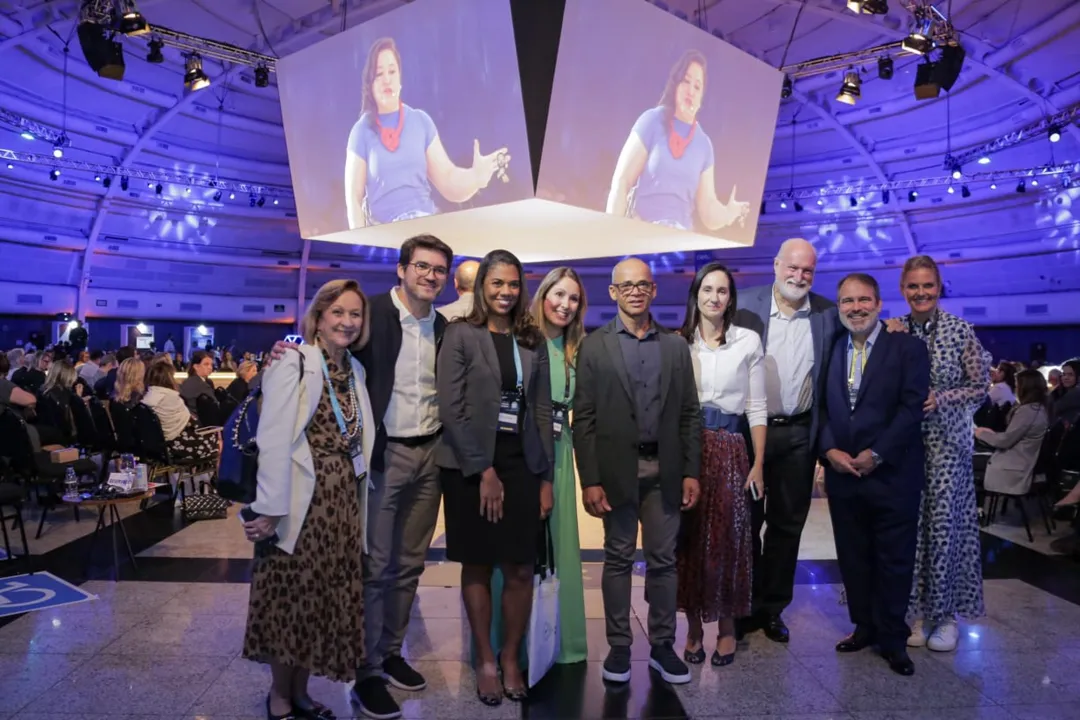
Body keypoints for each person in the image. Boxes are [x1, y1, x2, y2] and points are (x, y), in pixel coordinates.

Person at [242, 279, 375, 720]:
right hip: (301, 503)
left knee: (318, 605)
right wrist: (269, 507)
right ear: (317, 317)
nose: (347, 321)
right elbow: (273, 437)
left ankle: (300, 692)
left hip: (341, 505)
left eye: (355, 314)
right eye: (337, 312)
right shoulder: (294, 362)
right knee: (289, 604)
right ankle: (279, 696)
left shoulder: (354, 370)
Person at [573, 257, 701, 685]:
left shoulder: (675, 346)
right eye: (626, 285)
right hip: (615, 473)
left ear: (653, 290)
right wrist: (589, 479)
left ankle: (663, 645)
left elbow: (688, 415)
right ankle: (620, 647)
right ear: (613, 292)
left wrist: (690, 471)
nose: (635, 291)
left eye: (643, 284)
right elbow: (584, 419)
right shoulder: (594, 346)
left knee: (664, 561)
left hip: (665, 471)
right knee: (618, 559)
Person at [436, 249, 553, 706]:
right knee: (479, 563)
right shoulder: (461, 335)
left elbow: (540, 410)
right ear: (482, 285)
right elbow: (452, 407)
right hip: (471, 466)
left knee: (521, 566)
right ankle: (484, 658)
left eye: (512, 284)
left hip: (521, 462)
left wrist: (544, 477)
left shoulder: (531, 339)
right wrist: (482, 469)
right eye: (496, 283)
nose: (505, 292)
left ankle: (510, 658)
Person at [820, 273, 930, 677]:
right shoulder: (831, 347)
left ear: (880, 303)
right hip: (842, 473)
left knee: (894, 559)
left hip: (893, 474)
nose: (856, 308)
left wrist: (877, 453)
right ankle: (863, 627)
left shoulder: (908, 348)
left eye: (864, 300)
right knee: (853, 557)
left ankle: (893, 638)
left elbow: (911, 407)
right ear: (839, 307)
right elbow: (821, 407)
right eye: (847, 301)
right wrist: (829, 449)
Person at [732, 238, 841, 643]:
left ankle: (772, 608)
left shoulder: (828, 314)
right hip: (748, 434)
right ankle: (743, 606)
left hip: (799, 434)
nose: (799, 277)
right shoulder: (742, 304)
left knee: (787, 526)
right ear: (776, 265)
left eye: (807, 271)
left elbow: (864, 329)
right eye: (792, 268)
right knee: (747, 522)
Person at [485, 267, 590, 668]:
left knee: (558, 550)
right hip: (522, 454)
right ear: (542, 296)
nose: (565, 305)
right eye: (558, 295)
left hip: (561, 456)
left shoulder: (578, 348)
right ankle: (506, 644)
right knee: (513, 554)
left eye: (574, 298)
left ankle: (557, 644)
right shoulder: (520, 341)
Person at [886, 255, 990, 653]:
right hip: (906, 448)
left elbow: (979, 387)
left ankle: (945, 616)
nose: (921, 293)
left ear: (939, 287)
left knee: (945, 531)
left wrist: (941, 398)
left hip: (947, 449)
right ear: (903, 290)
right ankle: (911, 611)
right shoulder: (893, 331)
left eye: (927, 285)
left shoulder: (961, 331)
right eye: (913, 286)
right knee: (909, 531)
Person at [676, 262, 765, 667]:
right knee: (689, 540)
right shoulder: (679, 342)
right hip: (688, 447)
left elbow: (757, 406)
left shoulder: (748, 341)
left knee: (729, 541)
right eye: (707, 289)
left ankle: (727, 629)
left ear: (731, 298)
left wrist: (758, 462)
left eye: (722, 291)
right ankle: (694, 628)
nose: (714, 297)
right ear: (696, 294)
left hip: (731, 447)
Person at [345, 38, 509, 228]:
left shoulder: (420, 121)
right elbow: (353, 198)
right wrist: (360, 242)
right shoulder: (361, 131)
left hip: (426, 227)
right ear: (370, 84)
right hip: (385, 235)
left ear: (400, 78)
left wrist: (475, 178)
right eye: (379, 74)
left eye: (392, 71)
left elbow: (448, 179)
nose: (387, 79)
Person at [606, 50, 749, 232]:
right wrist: (612, 231)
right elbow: (622, 182)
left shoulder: (704, 144)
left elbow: (708, 209)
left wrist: (729, 213)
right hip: (640, 232)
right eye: (686, 81)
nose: (691, 90)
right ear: (676, 84)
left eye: (697, 86)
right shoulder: (651, 121)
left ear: (702, 96)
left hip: (679, 240)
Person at [978, 369, 1050, 498]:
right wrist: (991, 434)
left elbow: (1005, 442)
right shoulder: (1039, 408)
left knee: (967, 463)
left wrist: (979, 433)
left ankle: (977, 510)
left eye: (1017, 386)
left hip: (1013, 467)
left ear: (1026, 388)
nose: (1015, 389)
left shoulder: (1028, 411)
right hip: (1019, 461)